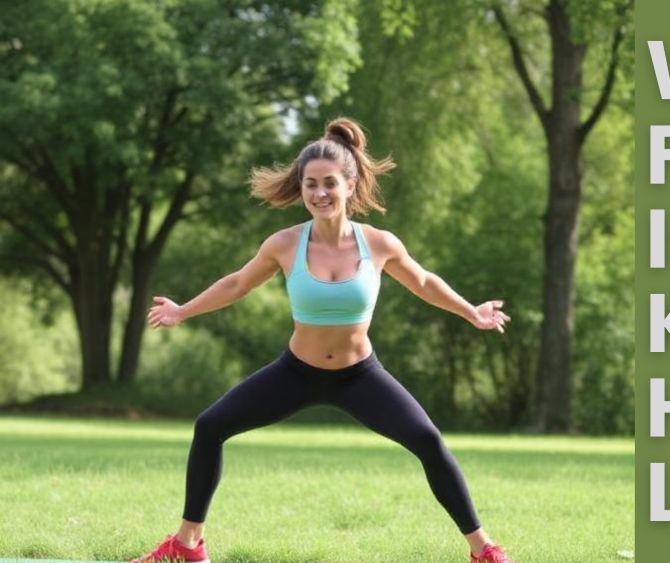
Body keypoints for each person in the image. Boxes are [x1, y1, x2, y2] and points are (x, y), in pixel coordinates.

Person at [131, 117, 513, 563]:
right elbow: (237, 284)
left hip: (359, 376)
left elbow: (424, 282)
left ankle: (483, 550)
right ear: (301, 188)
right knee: (209, 427)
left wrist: (472, 312)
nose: (319, 194)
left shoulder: (380, 244)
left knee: (427, 440)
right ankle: (186, 545)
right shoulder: (285, 244)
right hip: (296, 373)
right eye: (310, 184)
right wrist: (183, 310)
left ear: (350, 185)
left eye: (329, 183)